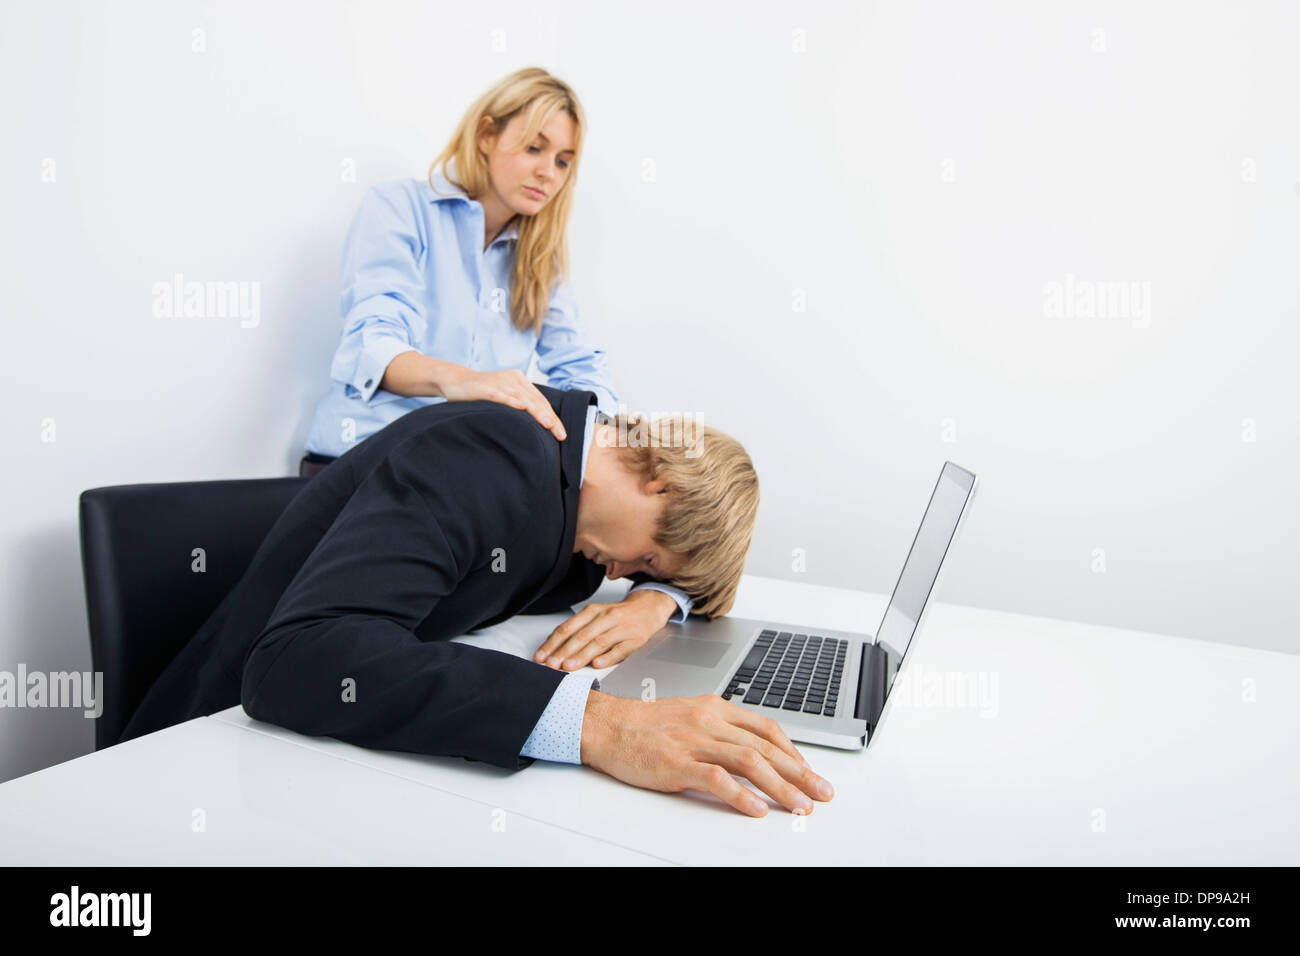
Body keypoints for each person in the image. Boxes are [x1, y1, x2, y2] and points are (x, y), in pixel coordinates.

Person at [121, 386, 833, 817]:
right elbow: (300, 660)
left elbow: (694, 589)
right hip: (197, 762)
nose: (619, 572)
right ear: (664, 485)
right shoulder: (496, 449)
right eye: (643, 559)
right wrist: (602, 725)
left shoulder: (577, 475)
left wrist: (655, 600)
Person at [300, 66, 694, 662]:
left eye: (563, 160)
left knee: (614, 527)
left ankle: (659, 598)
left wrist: (620, 452)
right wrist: (466, 383)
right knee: (375, 645)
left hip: (457, 489)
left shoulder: (540, 256)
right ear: (486, 135)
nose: (547, 172)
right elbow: (372, 345)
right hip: (361, 472)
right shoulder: (400, 208)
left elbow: (580, 364)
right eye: (534, 148)